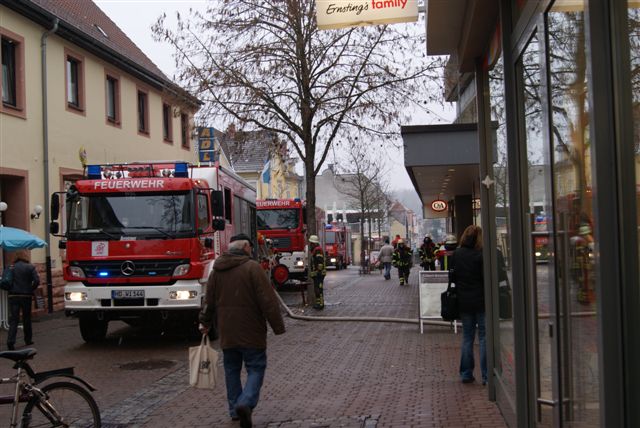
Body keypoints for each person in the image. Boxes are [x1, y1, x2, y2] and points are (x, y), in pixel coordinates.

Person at [199, 233, 285, 427]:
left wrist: (204, 322)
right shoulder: (253, 269)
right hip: (251, 331)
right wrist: (277, 326)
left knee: (231, 370)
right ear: (246, 247)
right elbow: (268, 301)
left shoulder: (217, 271)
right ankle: (245, 403)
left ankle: (234, 410)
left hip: (227, 332)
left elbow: (209, 301)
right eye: (250, 247)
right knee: (256, 367)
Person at [452, 225, 486, 385]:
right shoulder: (481, 255)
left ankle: (466, 373)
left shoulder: (457, 254)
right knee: (484, 337)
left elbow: (453, 277)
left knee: (467, 337)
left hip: (464, 302)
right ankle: (487, 375)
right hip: (481, 301)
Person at [4, 250, 40, 351]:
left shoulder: (11, 267)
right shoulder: (30, 267)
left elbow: (6, 280)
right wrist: (31, 288)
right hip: (26, 296)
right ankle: (28, 339)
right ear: (25, 256)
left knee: (14, 319)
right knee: (26, 318)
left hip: (13, 295)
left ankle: (10, 342)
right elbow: (36, 280)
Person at [308, 234, 327, 309]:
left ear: (314, 243)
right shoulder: (315, 250)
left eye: (311, 243)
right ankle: (318, 303)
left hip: (319, 274)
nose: (310, 245)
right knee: (316, 289)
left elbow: (320, 262)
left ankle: (321, 304)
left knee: (319, 289)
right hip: (317, 274)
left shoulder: (318, 250)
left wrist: (318, 271)